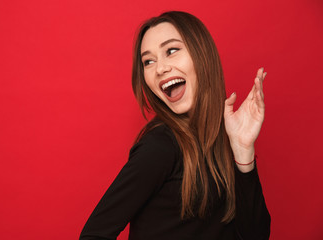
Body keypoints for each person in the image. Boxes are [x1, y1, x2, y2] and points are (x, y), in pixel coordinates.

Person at [79, 11, 270, 240]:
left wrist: (243, 150)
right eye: (148, 61)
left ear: (202, 54)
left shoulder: (228, 133)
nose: (160, 69)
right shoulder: (160, 146)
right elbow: (94, 234)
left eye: (171, 50)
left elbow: (255, 235)